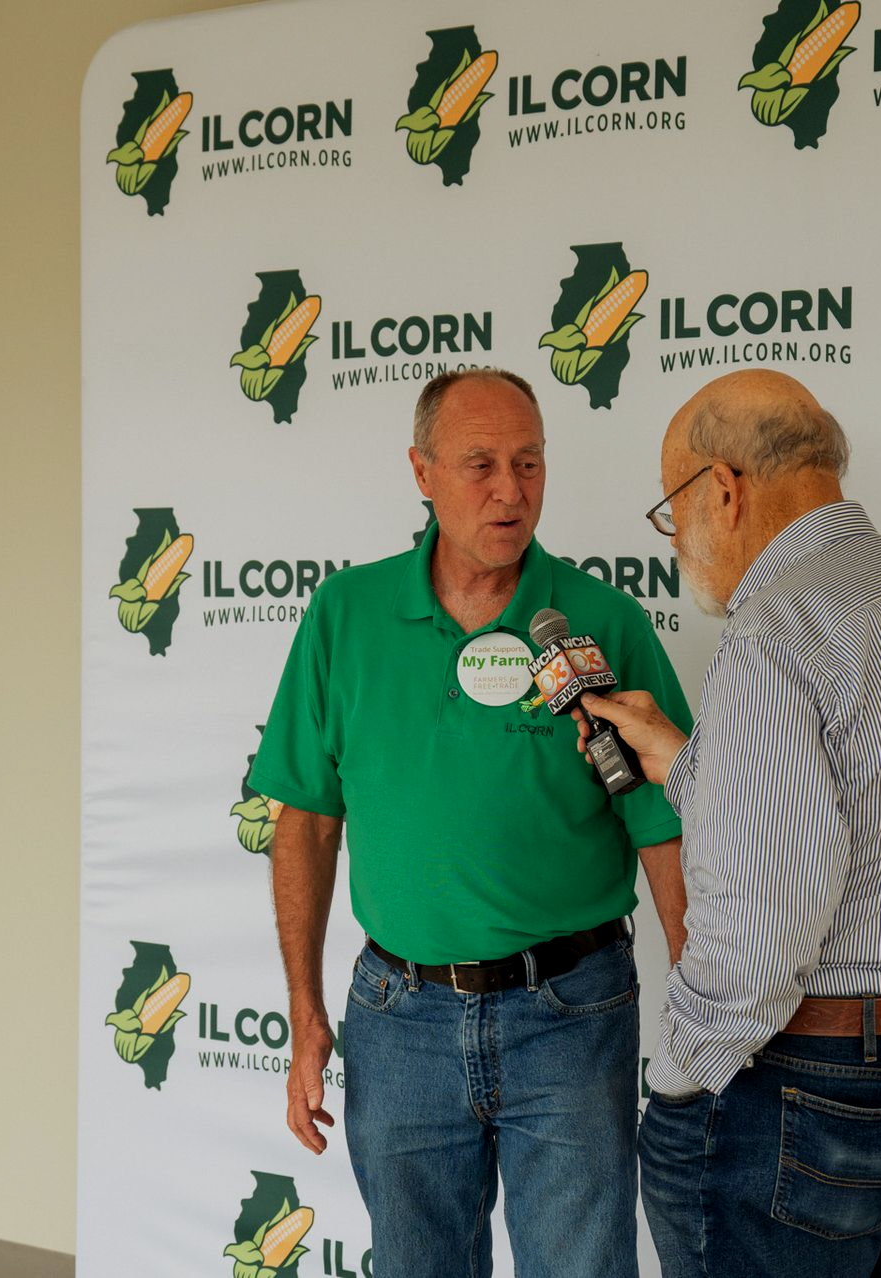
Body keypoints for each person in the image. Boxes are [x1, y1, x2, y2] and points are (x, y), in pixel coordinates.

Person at [581, 369, 881, 1278]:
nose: (678, 542)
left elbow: (759, 926)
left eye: (673, 513)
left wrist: (681, 1081)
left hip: (825, 1094)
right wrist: (682, 756)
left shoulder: (774, 635)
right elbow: (869, 806)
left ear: (723, 488)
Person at [250, 368, 691, 1278]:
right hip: (398, 1021)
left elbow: (666, 823)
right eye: (481, 463)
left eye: (529, 464)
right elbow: (306, 822)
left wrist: (700, 999)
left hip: (572, 1016)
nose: (510, 489)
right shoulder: (346, 615)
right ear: (421, 471)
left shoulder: (602, 623)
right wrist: (303, 1010)